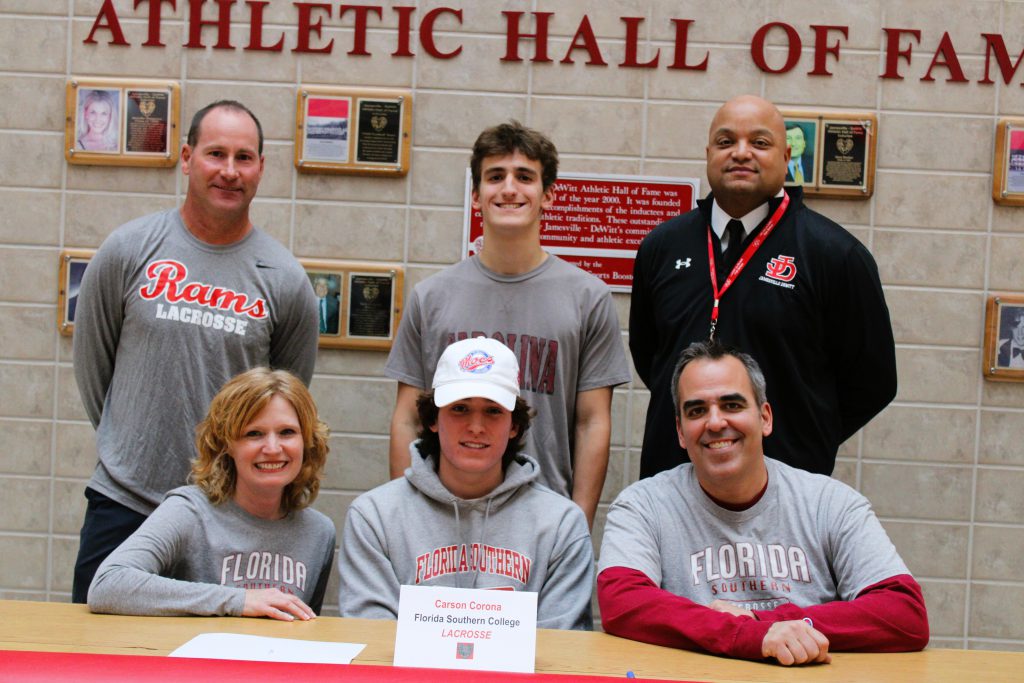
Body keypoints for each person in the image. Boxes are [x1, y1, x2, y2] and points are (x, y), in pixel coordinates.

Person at [71, 100, 320, 603]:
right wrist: (133, 446)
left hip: (227, 517)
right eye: (215, 154)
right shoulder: (128, 249)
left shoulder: (286, 281)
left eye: (244, 157)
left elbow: (284, 397)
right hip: (127, 501)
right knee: (95, 657)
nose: (229, 171)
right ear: (187, 158)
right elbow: (93, 369)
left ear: (261, 168)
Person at [597, 341, 928, 665]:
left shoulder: (831, 503)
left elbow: (904, 613)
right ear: (681, 432)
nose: (714, 423)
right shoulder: (643, 506)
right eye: (697, 410)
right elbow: (622, 601)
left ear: (765, 417)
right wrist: (748, 635)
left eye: (732, 405)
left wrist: (767, 621)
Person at [630, 95, 896, 479]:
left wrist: (804, 433)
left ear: (786, 155)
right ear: (708, 153)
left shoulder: (835, 255)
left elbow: (874, 382)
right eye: (726, 142)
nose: (741, 153)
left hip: (786, 486)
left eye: (759, 142)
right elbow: (651, 357)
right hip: (673, 481)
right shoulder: (661, 246)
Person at [385, 121, 631, 528]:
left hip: (544, 518)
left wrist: (577, 524)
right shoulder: (432, 297)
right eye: (495, 176)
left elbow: (592, 422)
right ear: (476, 196)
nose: (509, 188)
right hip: (442, 514)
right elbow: (407, 418)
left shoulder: (588, 297)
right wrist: (405, 518)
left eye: (525, 177)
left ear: (548, 195)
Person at [339, 337, 594, 630]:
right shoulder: (374, 516)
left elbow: (560, 652)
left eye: (493, 410)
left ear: (514, 426)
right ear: (433, 419)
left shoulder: (561, 524)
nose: (476, 426)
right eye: (459, 408)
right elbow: (373, 640)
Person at [88, 368, 335, 619]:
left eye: (287, 432)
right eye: (253, 434)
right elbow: (107, 585)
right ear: (227, 444)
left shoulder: (319, 532)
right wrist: (238, 600)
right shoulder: (189, 511)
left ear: (307, 441)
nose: (272, 448)